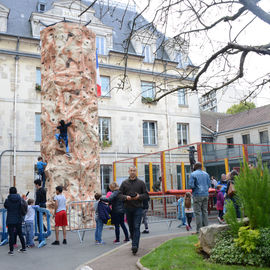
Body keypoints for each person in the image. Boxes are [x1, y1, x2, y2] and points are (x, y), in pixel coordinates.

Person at [119, 166, 149, 255]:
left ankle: (135, 246)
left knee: (136, 227)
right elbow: (119, 195)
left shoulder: (141, 183)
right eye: (131, 170)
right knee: (131, 227)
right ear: (128, 171)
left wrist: (139, 196)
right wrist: (125, 197)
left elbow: (146, 195)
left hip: (138, 208)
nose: (132, 172)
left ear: (136, 172)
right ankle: (133, 242)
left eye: (134, 171)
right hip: (128, 208)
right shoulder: (124, 183)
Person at [188, 162, 211, 234]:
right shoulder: (206, 174)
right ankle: (206, 228)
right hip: (205, 194)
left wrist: (195, 189)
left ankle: (199, 230)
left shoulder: (193, 174)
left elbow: (191, 185)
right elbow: (209, 185)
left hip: (197, 194)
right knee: (205, 211)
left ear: (195, 167)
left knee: (197, 212)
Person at [4, 187, 26, 255]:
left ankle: (11, 251)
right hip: (18, 219)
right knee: (20, 234)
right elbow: (23, 206)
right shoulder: (20, 199)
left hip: (10, 219)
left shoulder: (7, 200)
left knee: (11, 235)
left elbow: (5, 206)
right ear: (16, 192)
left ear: (9, 192)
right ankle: (23, 248)